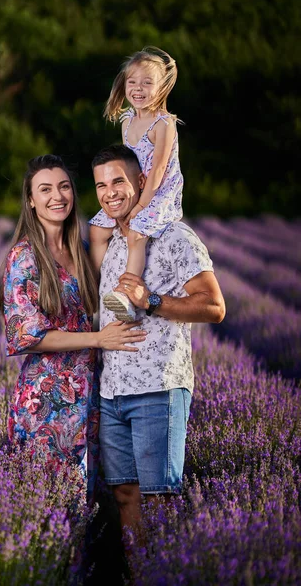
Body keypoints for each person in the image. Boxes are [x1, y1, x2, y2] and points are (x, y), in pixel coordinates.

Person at [0, 154, 147, 503]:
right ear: (31, 200)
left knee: (86, 501)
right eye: (44, 189)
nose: (56, 196)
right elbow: (26, 334)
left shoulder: (80, 249)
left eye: (63, 187)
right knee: (50, 505)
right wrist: (98, 339)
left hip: (88, 394)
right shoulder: (25, 256)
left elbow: (118, 221)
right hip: (48, 401)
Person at [91, 144, 225, 528]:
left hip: (157, 387)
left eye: (118, 180)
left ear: (141, 181)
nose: (110, 192)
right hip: (112, 390)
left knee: (160, 499)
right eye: (101, 185)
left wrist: (151, 300)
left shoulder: (174, 236)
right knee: (124, 494)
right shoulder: (114, 242)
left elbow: (215, 307)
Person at [89, 46, 184, 322]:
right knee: (97, 229)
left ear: (162, 87)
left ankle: (127, 296)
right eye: (132, 82)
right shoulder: (127, 121)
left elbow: (157, 172)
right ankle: (93, 291)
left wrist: (139, 207)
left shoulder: (163, 124)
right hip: (135, 189)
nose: (138, 88)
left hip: (158, 192)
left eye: (147, 82)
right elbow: (125, 164)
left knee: (135, 234)